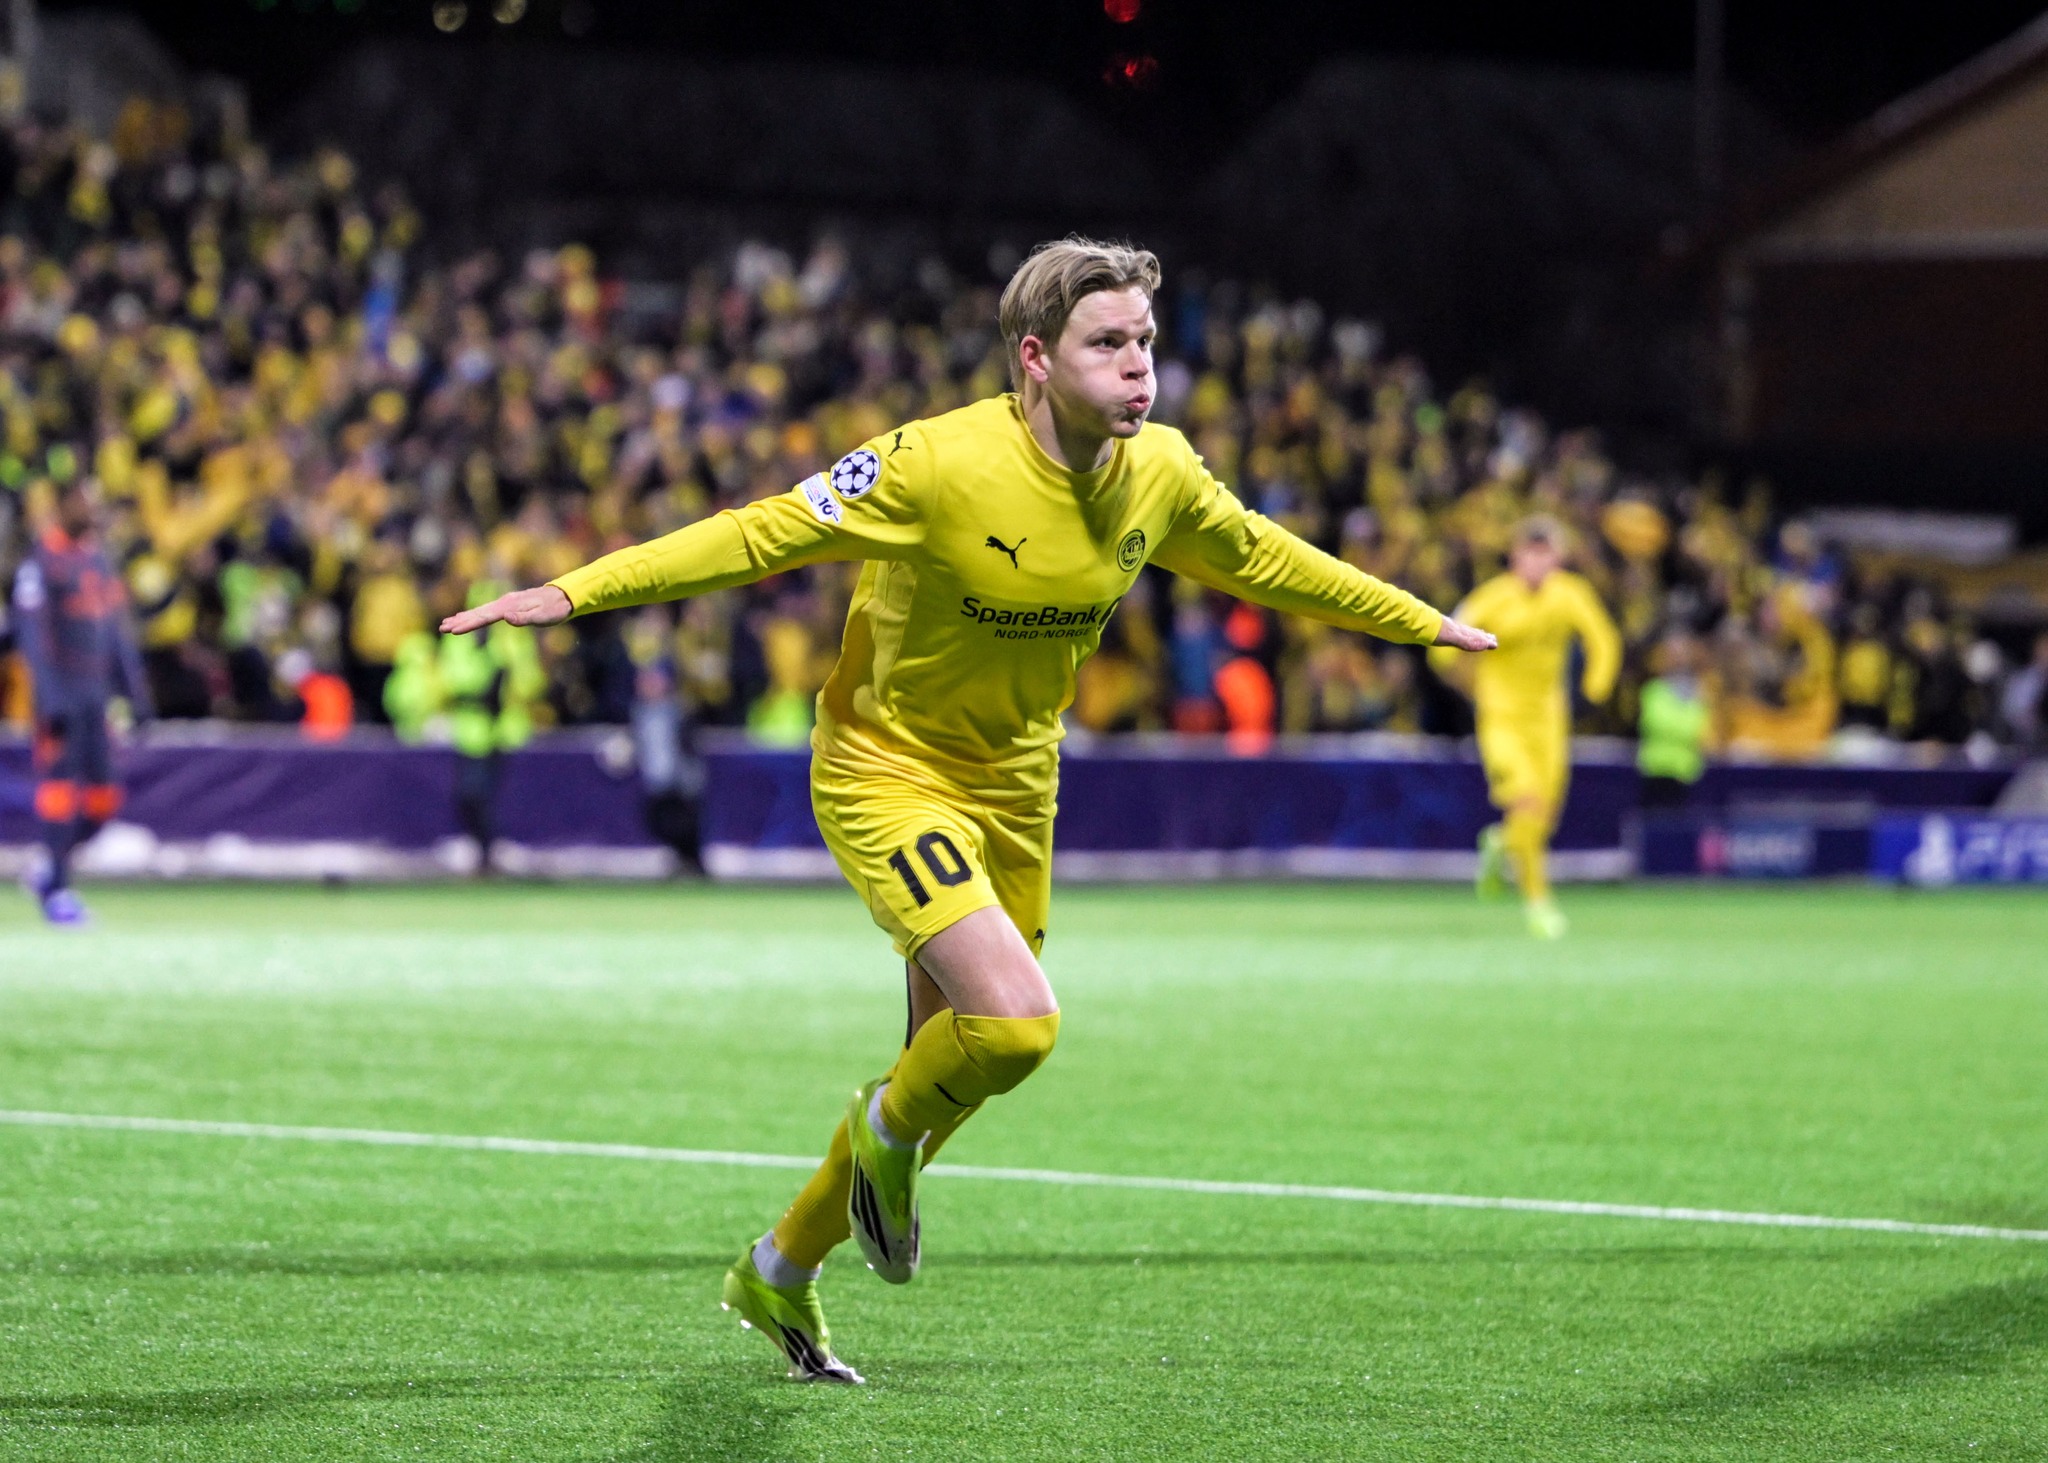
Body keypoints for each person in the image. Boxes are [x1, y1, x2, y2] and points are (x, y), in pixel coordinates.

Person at [442, 238, 1496, 1382]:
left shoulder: (1161, 471)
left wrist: (1417, 619)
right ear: (1036, 358)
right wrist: (576, 589)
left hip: (1017, 784)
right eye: (1108, 344)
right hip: (885, 764)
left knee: (944, 1067)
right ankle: (877, 1136)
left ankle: (778, 1267)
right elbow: (760, 531)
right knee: (1011, 1026)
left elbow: (1264, 560)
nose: (1138, 367)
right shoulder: (932, 463)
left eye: (1145, 342)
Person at [1429, 515, 1618, 939]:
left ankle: (1500, 844)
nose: (1538, 563)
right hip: (1502, 719)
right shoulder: (1492, 599)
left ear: (1559, 557)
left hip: (1549, 721)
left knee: (1543, 818)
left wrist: (1596, 687)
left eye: (1546, 553)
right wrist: (1469, 685)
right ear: (1516, 556)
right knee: (1528, 802)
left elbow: (1602, 639)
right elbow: (1442, 648)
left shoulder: (1570, 594)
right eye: (1531, 553)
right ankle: (1539, 904)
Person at [12, 478, 153, 925]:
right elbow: (32, 637)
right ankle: (58, 889)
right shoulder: (41, 563)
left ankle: (49, 867)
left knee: (102, 799)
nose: (91, 512)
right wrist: (49, 697)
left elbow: (115, 635)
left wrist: (136, 693)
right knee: (59, 791)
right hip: (61, 696)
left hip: (95, 697)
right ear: (63, 507)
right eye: (83, 503)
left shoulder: (97, 560)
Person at [1636, 630, 1711, 808]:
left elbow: (1699, 730)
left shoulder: (1699, 693)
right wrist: (1682, 723)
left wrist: (1678, 725)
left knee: (1680, 829)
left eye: (1681, 654)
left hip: (1685, 775)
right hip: (1655, 772)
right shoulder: (1652, 690)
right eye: (1672, 654)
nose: (1677, 660)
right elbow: (1654, 722)